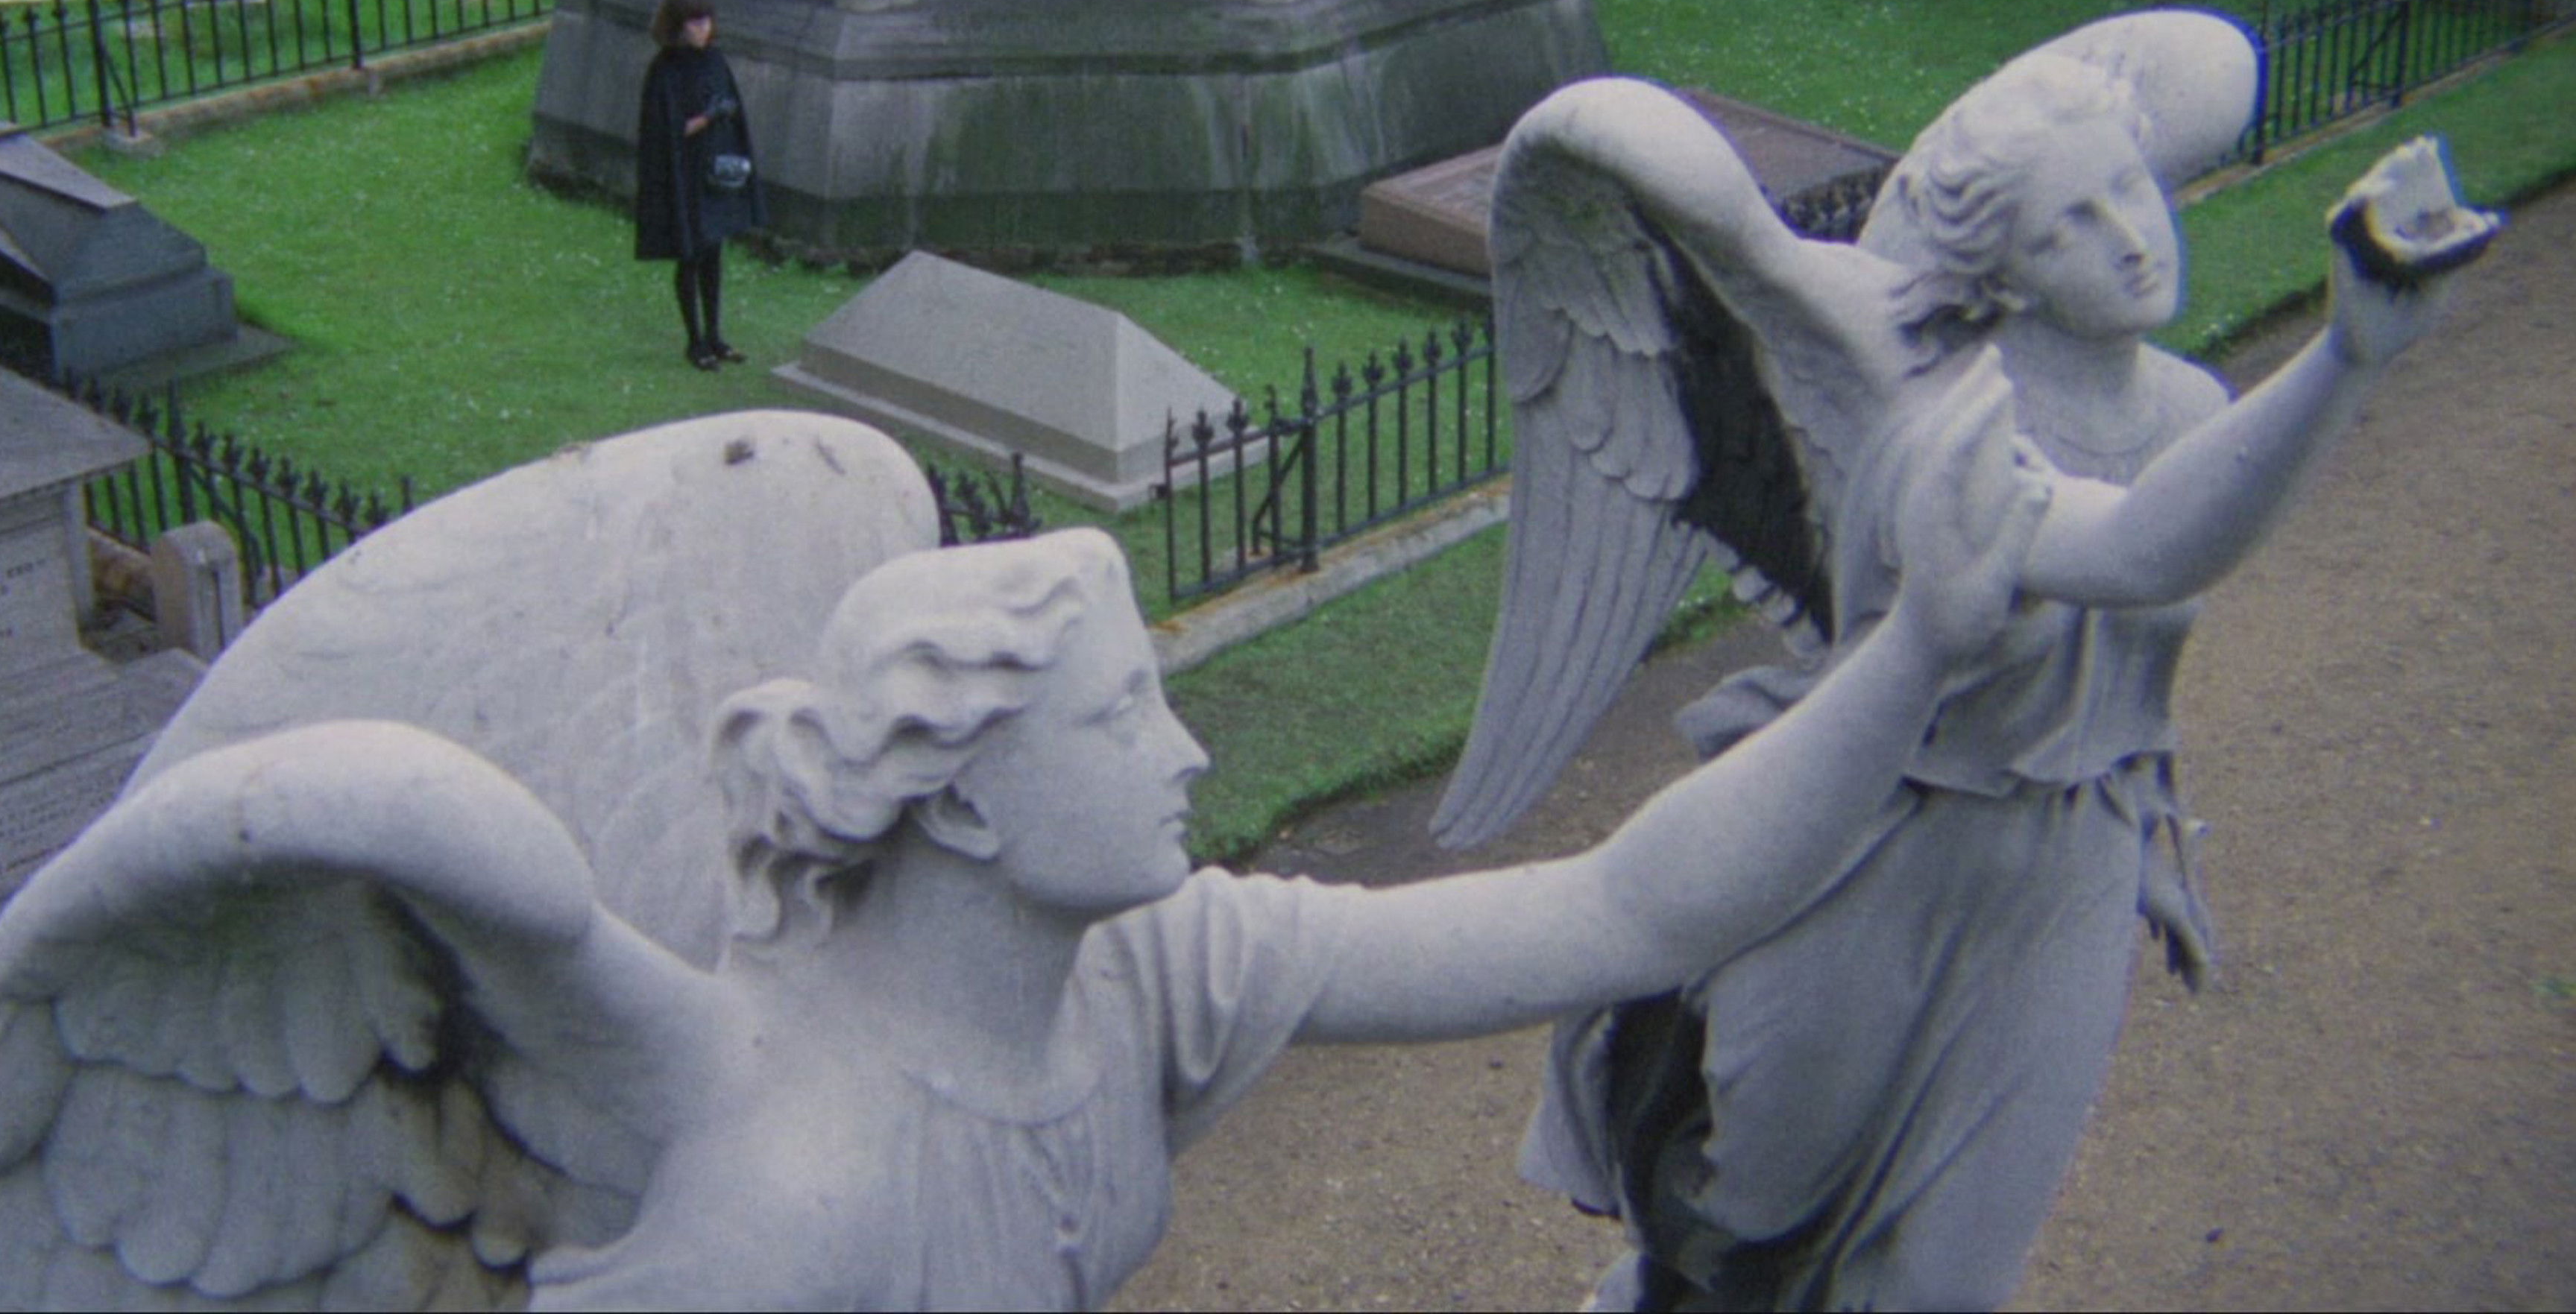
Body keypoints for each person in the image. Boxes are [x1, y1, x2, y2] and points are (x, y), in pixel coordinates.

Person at [525, 359, 2047, 1310]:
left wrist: (1915, 654)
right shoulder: (792, 1196)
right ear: (969, 803)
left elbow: (1621, 911)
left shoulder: (1142, 968)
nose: (1186, 754)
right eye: (1123, 718)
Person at [1514, 47, 2477, 1310]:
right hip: (1882, 844)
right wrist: (2346, 356)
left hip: (2064, 866)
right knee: (1745, 1224)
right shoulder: (1939, 419)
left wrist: (2144, 836)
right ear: (2007, 269)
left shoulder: (2194, 412)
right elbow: (2137, 551)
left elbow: (2133, 664)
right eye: (2072, 222)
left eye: (2132, 188)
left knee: (1949, 1284)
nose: (2132, 238)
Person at [635, 0, 765, 372]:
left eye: (706, 21)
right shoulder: (665, 70)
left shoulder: (714, 60)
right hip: (683, 176)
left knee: (713, 255)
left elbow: (733, 113)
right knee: (690, 256)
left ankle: (715, 336)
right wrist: (708, 117)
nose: (703, 29)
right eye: (694, 23)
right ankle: (695, 341)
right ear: (678, 26)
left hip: (713, 172)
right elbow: (666, 131)